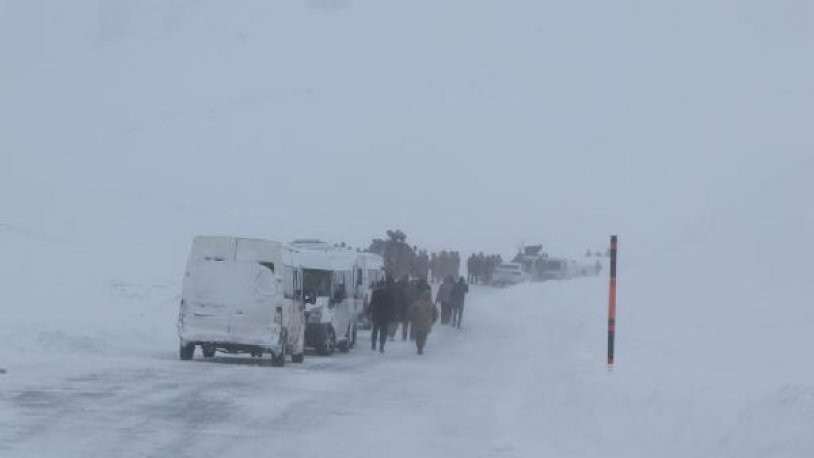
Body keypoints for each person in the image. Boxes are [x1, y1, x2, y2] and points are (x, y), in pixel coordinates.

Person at [409, 290, 438, 355]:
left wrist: (412, 318)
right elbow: (436, 314)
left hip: (417, 322)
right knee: (424, 335)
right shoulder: (431, 305)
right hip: (427, 323)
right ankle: (421, 346)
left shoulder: (417, 303)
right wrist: (433, 321)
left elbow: (411, 311)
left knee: (418, 335)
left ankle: (419, 346)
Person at [369, 279, 394, 352]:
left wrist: (369, 311)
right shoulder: (388, 293)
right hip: (385, 316)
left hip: (376, 315)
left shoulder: (375, 293)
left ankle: (374, 344)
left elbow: (372, 303)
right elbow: (392, 305)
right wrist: (392, 315)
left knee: (375, 330)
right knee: (383, 332)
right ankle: (381, 346)